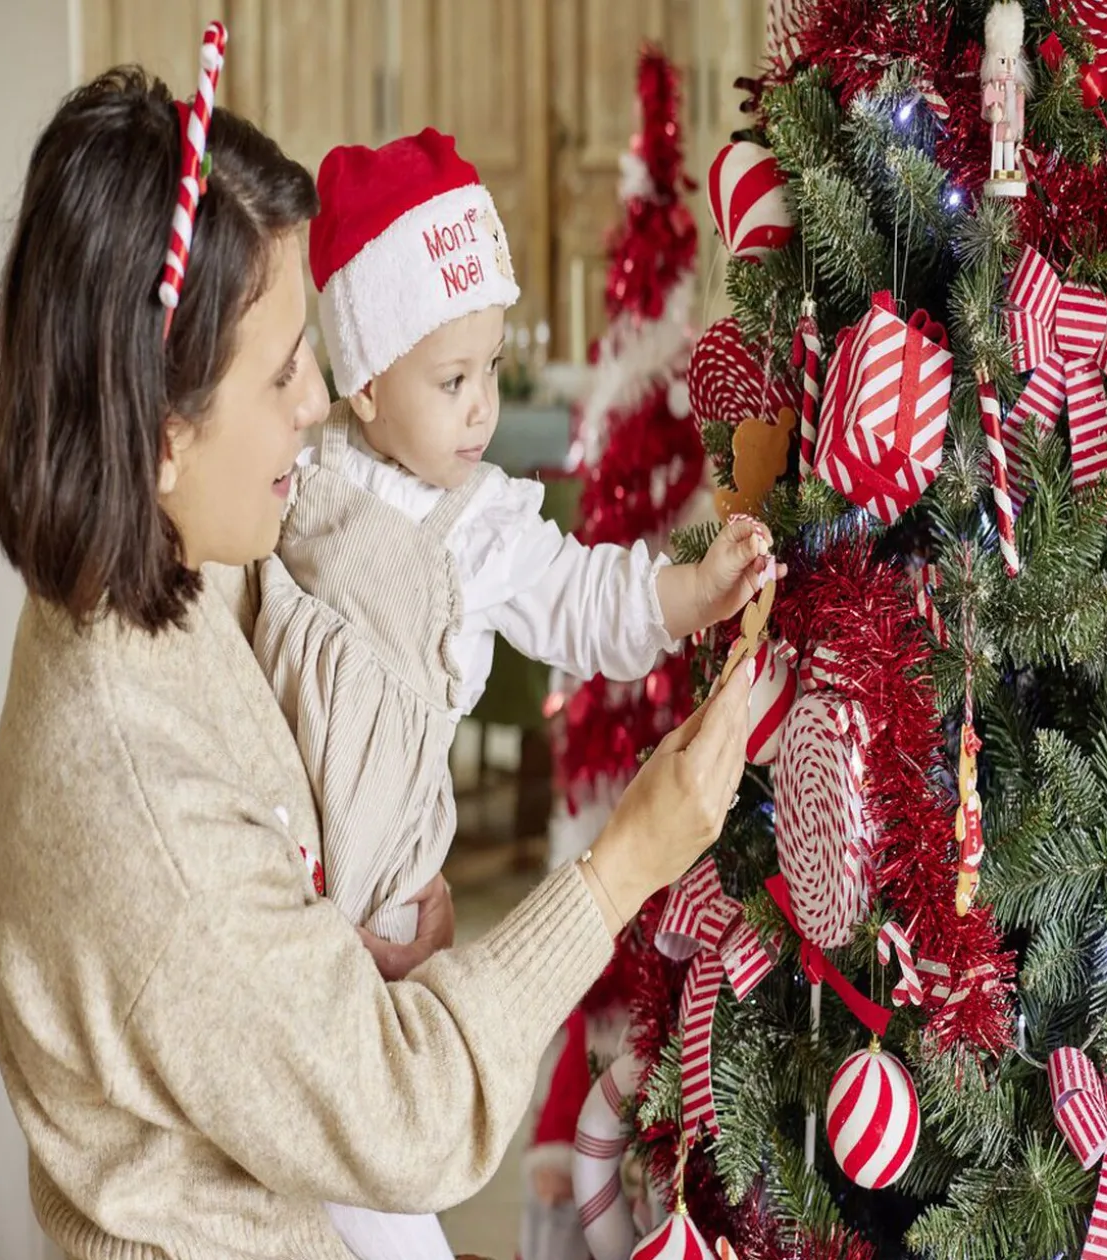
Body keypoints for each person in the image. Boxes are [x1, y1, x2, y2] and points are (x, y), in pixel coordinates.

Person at [0, 66, 750, 1260]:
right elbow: (408, 1115)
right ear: (161, 429)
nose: (320, 407)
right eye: (287, 368)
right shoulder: (134, 782)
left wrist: (331, 952)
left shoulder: (179, 556)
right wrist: (624, 866)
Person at [253, 127, 774, 1260]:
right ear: (365, 377)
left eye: (490, 369)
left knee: (376, 1190)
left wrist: (692, 589)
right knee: (282, 1175)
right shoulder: (294, 480)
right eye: (453, 380)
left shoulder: (481, 524)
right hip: (275, 887)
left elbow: (587, 602)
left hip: (382, 903)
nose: (484, 409)